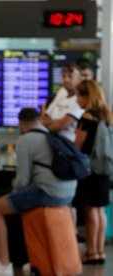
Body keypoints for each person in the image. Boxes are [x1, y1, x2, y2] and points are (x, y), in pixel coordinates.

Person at [0, 108, 77, 276]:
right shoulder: (51, 134)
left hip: (47, 193)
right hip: (68, 193)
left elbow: (23, 180)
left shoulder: (25, 140)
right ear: (39, 120)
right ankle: (35, 260)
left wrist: (14, 192)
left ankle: (3, 263)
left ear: (20, 124)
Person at [75, 80, 112, 264]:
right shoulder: (107, 116)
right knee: (100, 211)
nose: (77, 101)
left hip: (90, 170)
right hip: (105, 170)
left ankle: (90, 251)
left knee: (90, 211)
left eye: (79, 96)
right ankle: (100, 251)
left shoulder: (88, 117)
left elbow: (78, 145)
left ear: (87, 96)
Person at [41, 64, 84, 142]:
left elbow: (60, 126)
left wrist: (51, 123)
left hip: (67, 147)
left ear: (80, 79)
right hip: (51, 141)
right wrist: (56, 123)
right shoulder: (62, 92)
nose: (66, 79)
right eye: (63, 76)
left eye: (70, 76)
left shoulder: (81, 99)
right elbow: (43, 119)